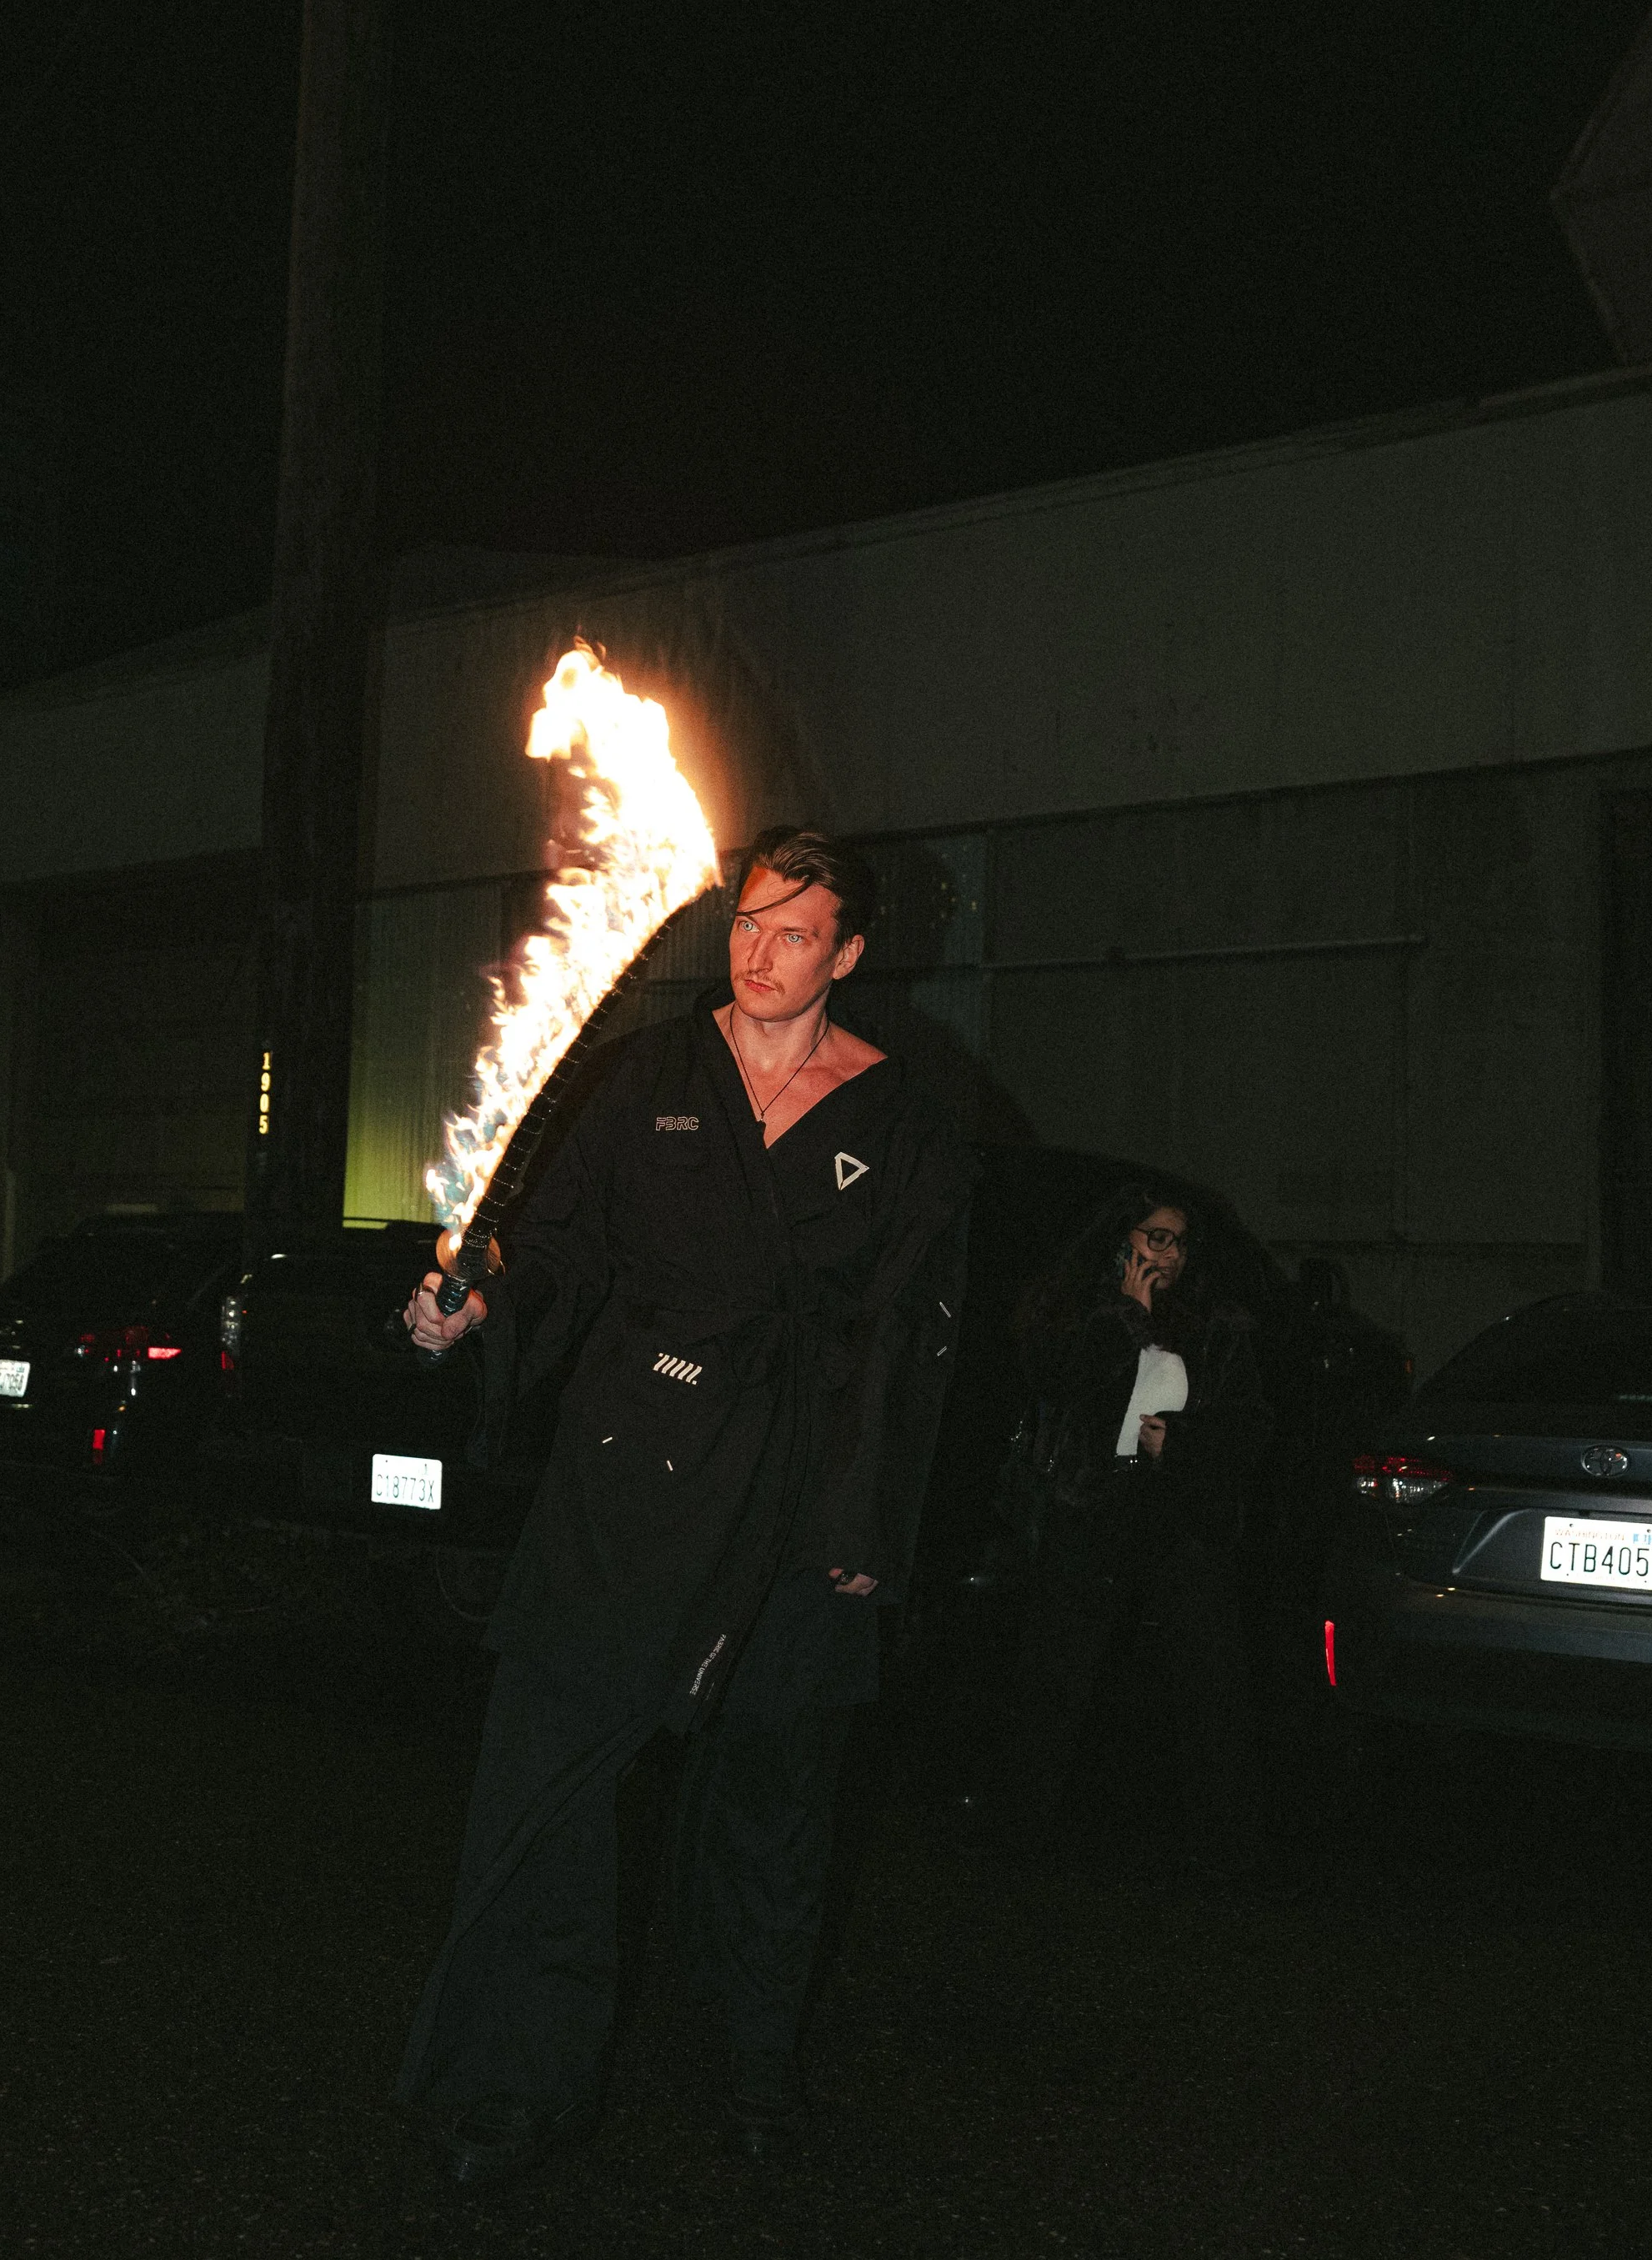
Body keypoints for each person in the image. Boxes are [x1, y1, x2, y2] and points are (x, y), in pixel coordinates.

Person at [398, 827, 978, 2188]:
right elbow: (559, 1247)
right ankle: (511, 2087)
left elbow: (905, 1340)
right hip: (630, 1472)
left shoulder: (906, 1116)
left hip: (793, 1493)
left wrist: (864, 1537)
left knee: (775, 1800)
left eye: (793, 933)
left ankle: (758, 2069)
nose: (758, 954)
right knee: (548, 1786)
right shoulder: (650, 1075)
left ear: (849, 952)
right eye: (745, 925)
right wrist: (478, 1305)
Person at [971, 1181, 1272, 1869]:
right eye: (1155, 1237)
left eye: (1180, 1243)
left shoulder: (1215, 1324)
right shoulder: (1074, 1312)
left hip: (1177, 1519)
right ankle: (1022, 1832)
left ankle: (1227, 1847)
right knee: (1056, 1677)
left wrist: (1184, 1446)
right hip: (1090, 1511)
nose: (1168, 1257)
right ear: (1122, 1238)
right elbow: (1068, 1385)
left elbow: (1248, 1427)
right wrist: (1130, 1317)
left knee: (1208, 1682)